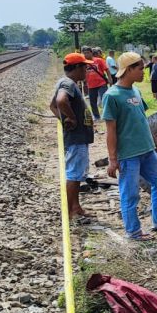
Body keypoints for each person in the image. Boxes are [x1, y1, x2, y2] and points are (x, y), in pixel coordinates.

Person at [102, 52, 157, 241]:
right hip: (128, 155)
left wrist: (154, 143)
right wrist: (112, 159)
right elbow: (110, 130)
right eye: (140, 68)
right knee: (130, 193)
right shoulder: (112, 96)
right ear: (128, 70)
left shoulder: (135, 91)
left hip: (147, 151)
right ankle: (133, 232)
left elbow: (143, 120)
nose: (144, 72)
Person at [49, 53, 95, 221]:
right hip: (76, 138)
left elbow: (52, 105)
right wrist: (72, 118)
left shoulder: (67, 83)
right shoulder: (68, 83)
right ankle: (70, 210)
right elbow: (60, 101)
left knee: (76, 174)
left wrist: (64, 119)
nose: (86, 70)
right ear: (76, 68)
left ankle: (75, 207)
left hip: (78, 137)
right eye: (84, 67)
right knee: (74, 174)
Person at [82, 46, 110, 119]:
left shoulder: (99, 60)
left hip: (101, 83)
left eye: (88, 53)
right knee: (92, 102)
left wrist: (110, 79)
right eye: (84, 53)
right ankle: (96, 116)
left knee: (104, 99)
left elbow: (106, 69)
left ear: (91, 53)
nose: (86, 55)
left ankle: (107, 115)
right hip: (91, 85)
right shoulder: (83, 63)